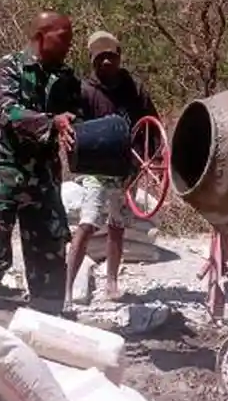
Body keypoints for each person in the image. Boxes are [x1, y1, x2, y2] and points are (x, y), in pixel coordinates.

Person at [0, 11, 80, 311]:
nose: (70, 42)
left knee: (51, 247)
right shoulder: (10, 67)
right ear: (42, 36)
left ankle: (47, 324)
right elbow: (7, 112)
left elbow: (77, 116)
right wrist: (51, 122)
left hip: (43, 173)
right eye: (63, 36)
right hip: (6, 168)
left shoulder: (65, 77)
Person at [65, 31, 159, 302]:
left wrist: (151, 157)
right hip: (95, 170)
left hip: (125, 168)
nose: (106, 62)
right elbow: (75, 130)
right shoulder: (84, 91)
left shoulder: (133, 88)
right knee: (87, 223)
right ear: (92, 60)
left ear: (119, 58)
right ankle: (68, 288)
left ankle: (112, 283)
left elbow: (150, 122)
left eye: (111, 57)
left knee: (117, 225)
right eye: (100, 57)